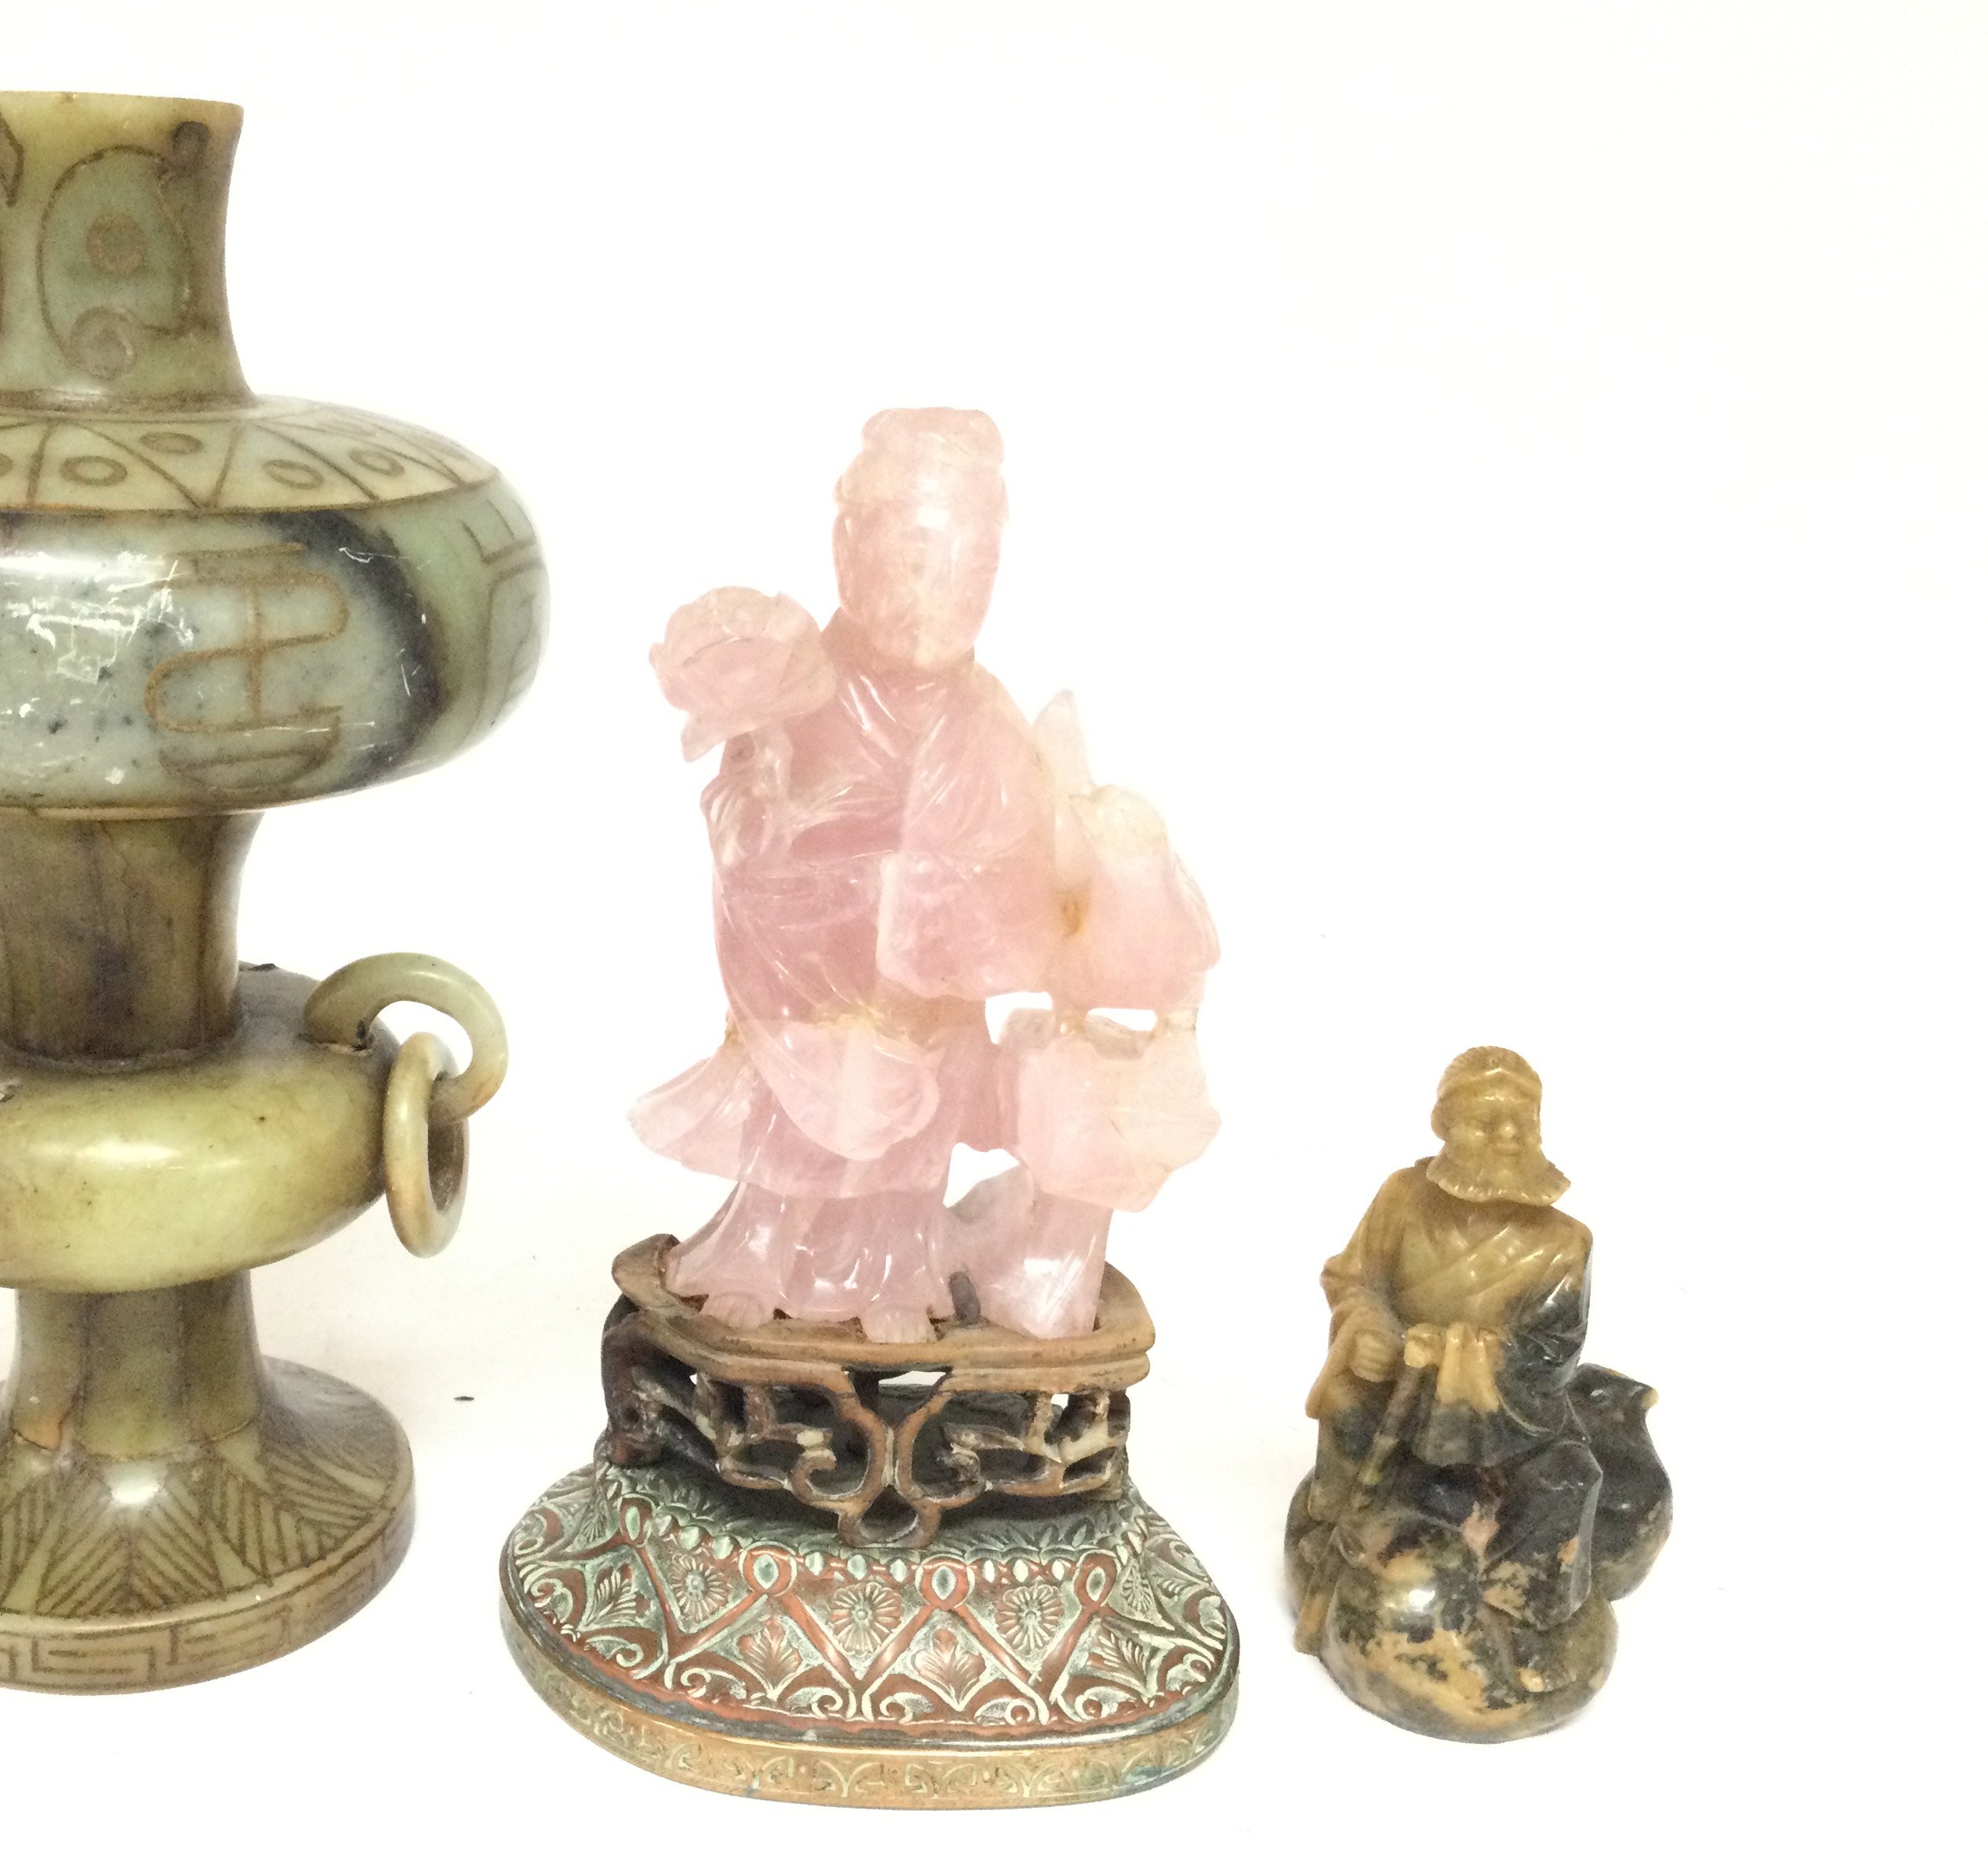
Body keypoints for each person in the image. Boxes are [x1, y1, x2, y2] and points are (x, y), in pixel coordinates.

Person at [633, 409, 1218, 1342]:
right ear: (846, 552)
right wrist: (782, 821)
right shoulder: (799, 693)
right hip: (809, 986)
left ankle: (895, 1269)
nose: (932, 595)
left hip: (929, 1003)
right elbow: (738, 833)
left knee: (912, 1128)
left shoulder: (986, 722)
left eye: (966, 569)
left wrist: (1088, 871)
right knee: (803, 1122)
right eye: (909, 559)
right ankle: (760, 1252)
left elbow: (1034, 888)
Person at [1289, 1047, 1671, 1739]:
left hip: (1506, 1412)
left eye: (1522, 1121)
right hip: (1394, 1390)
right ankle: (1335, 1537)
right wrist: (1368, 1327)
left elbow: (1552, 1352)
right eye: (1483, 1121)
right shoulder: (1402, 1199)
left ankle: (1522, 1615)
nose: (1506, 1137)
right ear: (1443, 1124)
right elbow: (1352, 1279)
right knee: (1345, 1403)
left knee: (1569, 1480)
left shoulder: (1563, 1244)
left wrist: (1462, 1356)